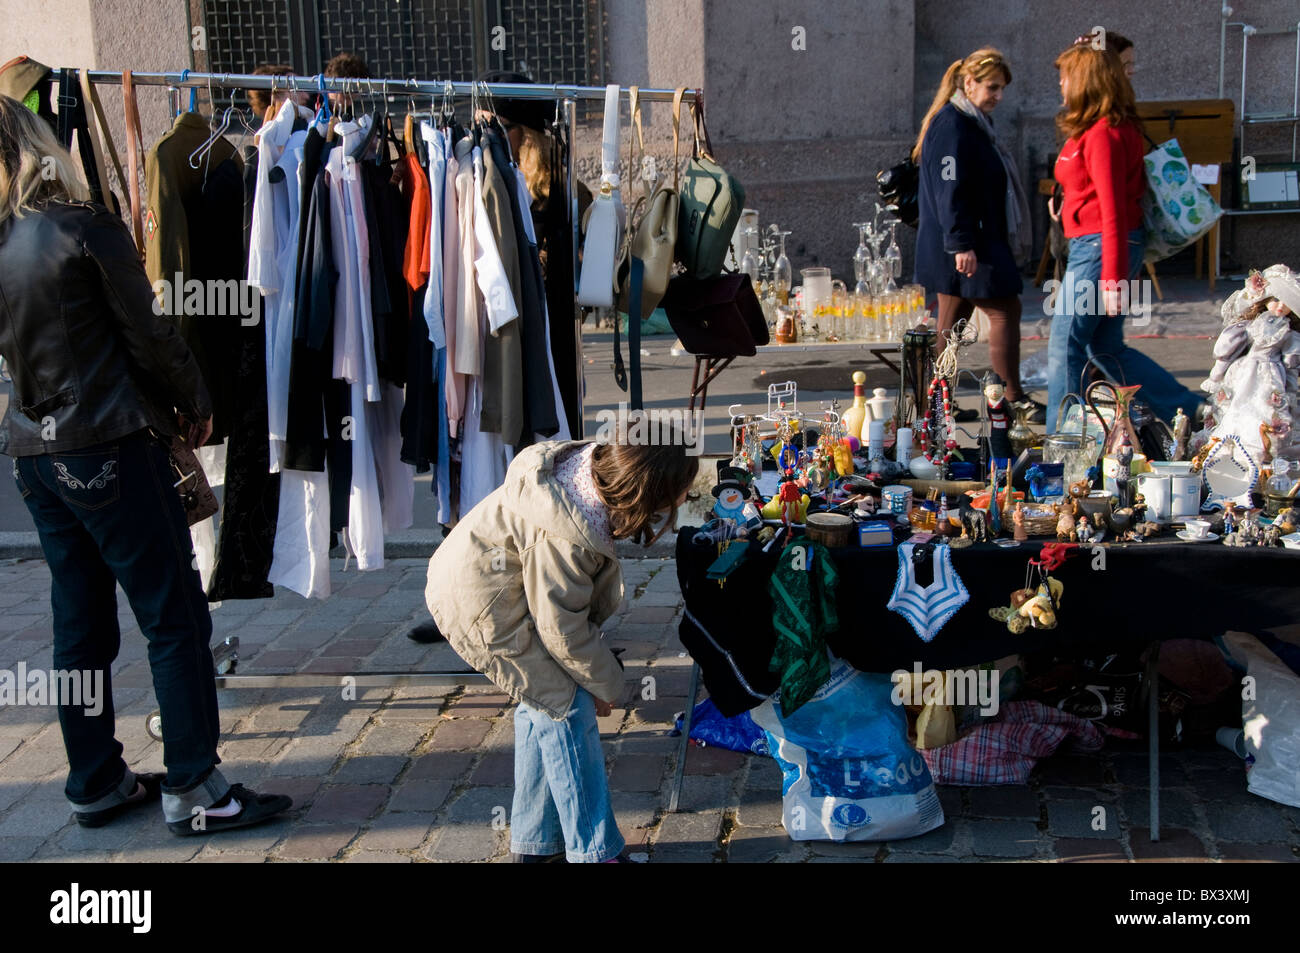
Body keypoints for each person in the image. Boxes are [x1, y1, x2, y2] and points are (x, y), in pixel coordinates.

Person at [0, 95, 292, 835]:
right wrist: (195, 398)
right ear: (41, 146)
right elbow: (149, 332)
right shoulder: (81, 228)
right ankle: (196, 785)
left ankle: (93, 776)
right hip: (105, 443)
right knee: (173, 611)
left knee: (80, 620)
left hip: (36, 451)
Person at [424, 432, 698, 862]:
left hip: (495, 593)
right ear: (644, 494)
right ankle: (595, 852)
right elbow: (562, 630)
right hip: (483, 610)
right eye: (674, 498)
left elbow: (561, 619)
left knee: (543, 707)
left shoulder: (585, 475)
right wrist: (605, 685)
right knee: (567, 709)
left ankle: (535, 847)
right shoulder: (567, 532)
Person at [1044, 39, 1202, 424]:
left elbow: (1113, 208)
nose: (1061, 86)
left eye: (1066, 78)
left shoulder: (1101, 134)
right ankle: (1185, 408)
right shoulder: (1105, 128)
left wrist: (1112, 279)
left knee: (1065, 345)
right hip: (1104, 245)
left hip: (1099, 249)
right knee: (1105, 346)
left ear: (1084, 81)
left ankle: (1063, 441)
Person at [912, 48, 1039, 422]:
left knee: (952, 325)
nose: (999, 96)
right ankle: (1011, 399)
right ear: (969, 83)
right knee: (1002, 310)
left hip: (968, 241)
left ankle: (937, 405)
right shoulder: (954, 123)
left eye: (1002, 89)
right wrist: (960, 243)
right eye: (992, 87)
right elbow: (949, 188)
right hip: (966, 244)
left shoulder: (970, 120)